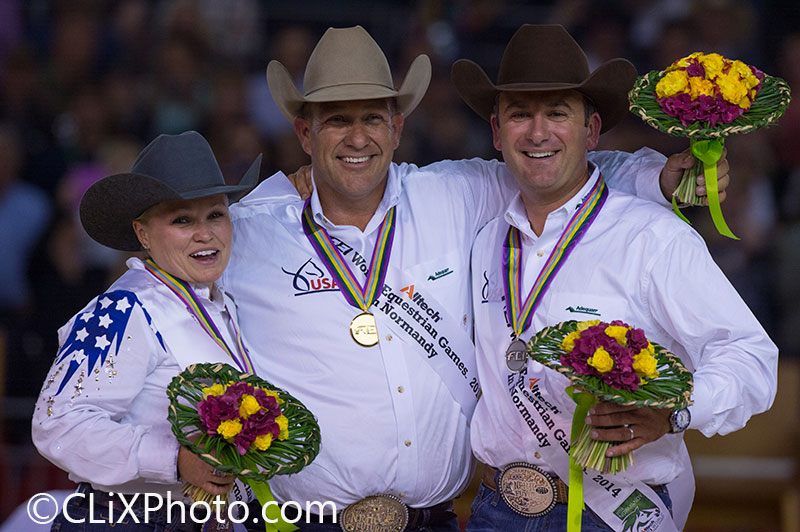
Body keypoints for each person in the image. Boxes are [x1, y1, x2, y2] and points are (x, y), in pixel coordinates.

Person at [221, 26, 730, 532]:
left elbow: (560, 166)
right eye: (336, 121)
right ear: (305, 134)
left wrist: (657, 179)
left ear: (397, 129)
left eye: (372, 118)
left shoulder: (456, 192)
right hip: (306, 522)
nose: (358, 138)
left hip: (440, 519)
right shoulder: (246, 234)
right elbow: (168, 273)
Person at [450, 24, 778, 531]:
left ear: (592, 131)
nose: (538, 133)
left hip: (614, 511)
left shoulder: (652, 236)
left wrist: (673, 412)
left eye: (558, 112)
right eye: (520, 114)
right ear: (497, 132)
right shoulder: (484, 238)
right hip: (499, 508)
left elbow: (750, 357)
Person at [31, 131, 260, 531]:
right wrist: (173, 458)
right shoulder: (123, 309)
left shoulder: (221, 304)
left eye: (216, 215)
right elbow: (58, 422)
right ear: (143, 233)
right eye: (182, 220)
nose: (204, 233)